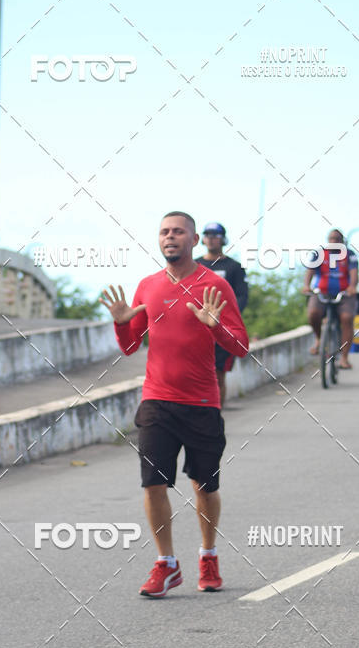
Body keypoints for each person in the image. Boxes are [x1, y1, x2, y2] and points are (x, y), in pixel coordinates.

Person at [100, 211, 249, 597]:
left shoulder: (214, 285)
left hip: (201, 402)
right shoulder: (148, 286)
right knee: (153, 484)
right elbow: (130, 346)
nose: (170, 237)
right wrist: (121, 322)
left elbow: (241, 345)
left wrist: (216, 326)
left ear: (194, 240)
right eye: (164, 231)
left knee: (204, 485)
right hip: (157, 400)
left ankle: (208, 555)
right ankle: (166, 564)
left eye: (178, 231)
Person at [196, 222, 248, 406]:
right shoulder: (195, 265)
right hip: (196, 330)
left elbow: (242, 295)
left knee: (218, 375)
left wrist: (228, 318)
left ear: (223, 239)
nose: (211, 239)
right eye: (207, 235)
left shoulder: (234, 267)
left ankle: (217, 414)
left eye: (215, 235)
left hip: (222, 330)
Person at [303, 229, 359, 369]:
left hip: (344, 294)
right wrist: (306, 285)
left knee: (347, 318)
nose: (334, 241)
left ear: (342, 241)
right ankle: (319, 339)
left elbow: (354, 273)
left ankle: (344, 358)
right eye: (331, 238)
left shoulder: (350, 254)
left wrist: (352, 286)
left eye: (337, 239)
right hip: (321, 291)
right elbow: (310, 270)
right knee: (313, 313)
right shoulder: (319, 254)